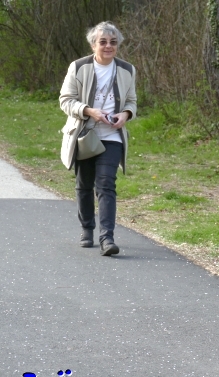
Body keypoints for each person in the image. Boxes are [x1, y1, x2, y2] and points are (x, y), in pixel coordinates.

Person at [59, 21, 137, 256]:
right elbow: (65, 99)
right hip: (85, 134)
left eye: (113, 42)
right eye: (102, 42)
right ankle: (87, 229)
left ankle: (107, 238)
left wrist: (125, 114)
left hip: (112, 136)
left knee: (106, 184)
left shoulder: (126, 70)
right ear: (93, 45)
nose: (108, 46)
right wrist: (89, 111)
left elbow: (132, 101)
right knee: (84, 185)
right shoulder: (78, 67)